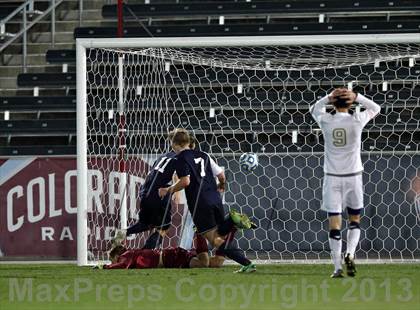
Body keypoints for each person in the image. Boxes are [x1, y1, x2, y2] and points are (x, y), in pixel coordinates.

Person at [159, 129, 256, 273]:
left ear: (174, 143)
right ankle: (231, 220)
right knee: (221, 232)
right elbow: (221, 175)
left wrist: (168, 190)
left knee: (215, 240)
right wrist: (221, 185)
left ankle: (246, 263)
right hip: (215, 198)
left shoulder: (179, 159)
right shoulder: (204, 155)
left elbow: (185, 181)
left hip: (200, 203)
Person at [310, 88, 380, 278]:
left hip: (332, 177)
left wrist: (327, 97)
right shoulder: (357, 119)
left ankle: (337, 268)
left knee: (334, 224)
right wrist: (357, 96)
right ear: (350, 103)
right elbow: (376, 108)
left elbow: (314, 109)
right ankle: (350, 254)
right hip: (354, 176)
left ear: (333, 103)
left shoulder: (326, 120)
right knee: (355, 219)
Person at [102, 233, 225, 269]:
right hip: (172, 256)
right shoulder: (131, 254)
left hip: (171, 258)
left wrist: (106, 267)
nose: (113, 263)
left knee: (203, 264)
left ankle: (199, 232)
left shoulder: (126, 254)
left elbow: (123, 264)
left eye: (112, 260)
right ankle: (232, 228)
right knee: (217, 263)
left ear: (117, 254)